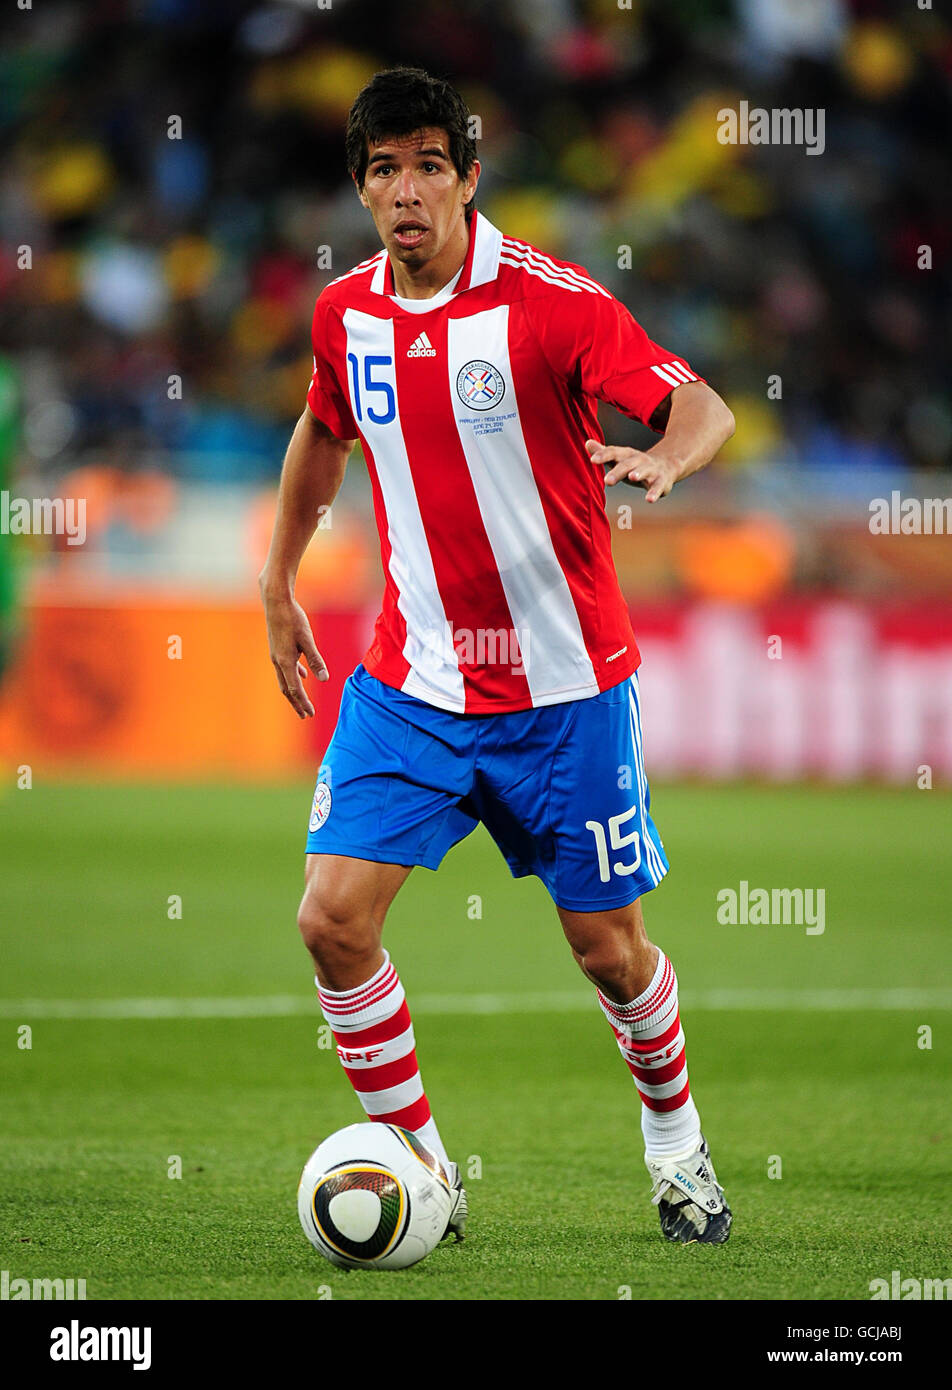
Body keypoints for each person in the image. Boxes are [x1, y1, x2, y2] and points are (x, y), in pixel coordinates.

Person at [259, 67, 736, 1247]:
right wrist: (275, 582)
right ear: (362, 189)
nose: (405, 190)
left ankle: (679, 1156)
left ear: (469, 177)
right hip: (412, 685)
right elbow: (323, 433)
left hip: (564, 695)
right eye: (382, 169)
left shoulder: (552, 303)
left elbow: (702, 407)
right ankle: (423, 1169)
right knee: (331, 920)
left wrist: (667, 462)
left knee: (610, 954)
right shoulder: (346, 314)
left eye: (428, 164)